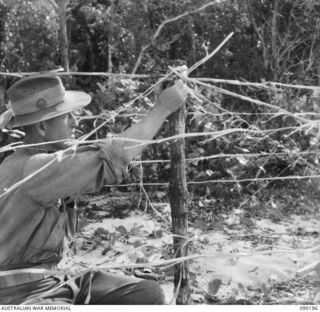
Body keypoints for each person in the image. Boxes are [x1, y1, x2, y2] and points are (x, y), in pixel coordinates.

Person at [0, 74, 187, 304]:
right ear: (41, 127)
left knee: (146, 293)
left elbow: (98, 150)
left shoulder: (32, 159)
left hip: (55, 279)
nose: (75, 122)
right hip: (23, 293)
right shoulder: (35, 168)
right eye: (66, 116)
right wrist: (161, 110)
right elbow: (112, 157)